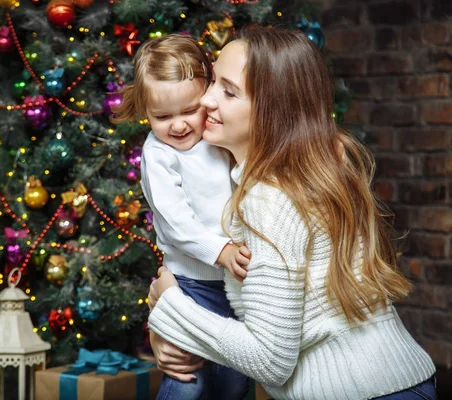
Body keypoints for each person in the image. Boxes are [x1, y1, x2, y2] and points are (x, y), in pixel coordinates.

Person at [147, 27, 437, 400]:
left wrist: (171, 305)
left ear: (273, 111)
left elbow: (269, 360)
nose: (205, 101)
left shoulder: (270, 200)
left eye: (228, 91)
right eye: (213, 82)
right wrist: (168, 328)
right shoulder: (295, 174)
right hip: (398, 379)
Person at [112, 34, 251, 399]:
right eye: (162, 116)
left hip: (235, 285)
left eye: (190, 110)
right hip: (191, 285)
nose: (178, 126)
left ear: (207, 92)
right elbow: (176, 225)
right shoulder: (159, 155)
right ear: (146, 112)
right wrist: (221, 251)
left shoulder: (216, 135)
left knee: (234, 381)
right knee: (188, 378)